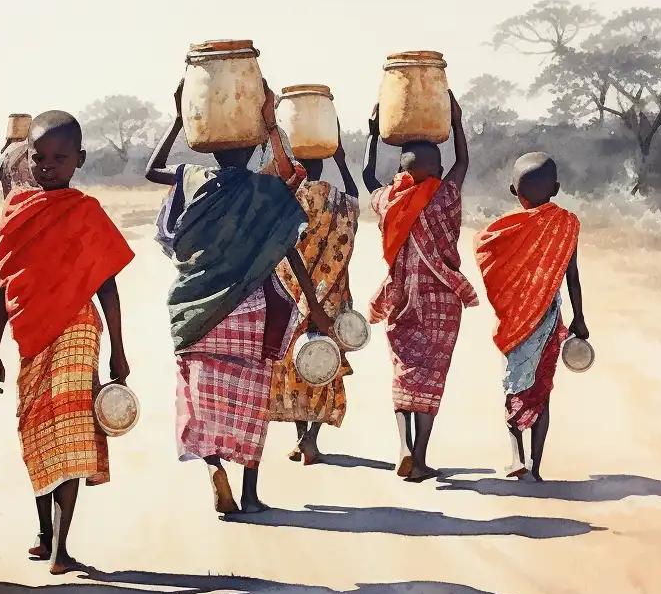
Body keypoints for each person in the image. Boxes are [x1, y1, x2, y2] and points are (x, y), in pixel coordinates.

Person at [145, 81, 332, 516]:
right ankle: (249, 493)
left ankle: (213, 466)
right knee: (252, 401)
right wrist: (269, 121)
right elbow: (288, 231)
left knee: (199, 398)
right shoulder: (266, 193)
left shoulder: (193, 180)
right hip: (251, 311)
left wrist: (179, 119)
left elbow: (153, 170)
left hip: (198, 311)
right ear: (252, 150)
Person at [0, 111, 134, 573]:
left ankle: (62, 546)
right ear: (27, 158)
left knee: (69, 434)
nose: (48, 166)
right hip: (30, 335)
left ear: (79, 160)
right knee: (35, 430)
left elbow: (107, 285)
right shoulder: (17, 213)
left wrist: (119, 350)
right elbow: (3, 285)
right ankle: (45, 531)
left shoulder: (86, 213)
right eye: (40, 157)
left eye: (60, 158)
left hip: (76, 331)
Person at [363, 91, 477, 481]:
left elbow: (367, 178)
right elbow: (464, 161)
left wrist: (373, 134)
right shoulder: (446, 196)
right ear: (438, 168)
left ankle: (402, 448)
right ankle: (421, 458)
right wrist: (457, 121)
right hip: (441, 302)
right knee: (432, 374)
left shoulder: (389, 201)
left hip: (400, 298)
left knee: (404, 371)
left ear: (404, 170)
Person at [474, 152, 589, 481]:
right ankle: (537, 467)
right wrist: (579, 318)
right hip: (551, 323)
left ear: (513, 190)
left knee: (514, 388)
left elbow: (486, 252)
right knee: (542, 392)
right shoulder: (567, 224)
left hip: (516, 325)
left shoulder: (508, 230)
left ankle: (516, 457)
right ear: (556, 189)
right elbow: (573, 276)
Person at [266, 122, 361, 466]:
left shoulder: (289, 199)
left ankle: (299, 437)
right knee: (323, 362)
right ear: (325, 160)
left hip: (291, 295)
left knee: (296, 364)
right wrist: (343, 159)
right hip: (330, 296)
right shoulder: (340, 202)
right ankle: (311, 440)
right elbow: (355, 197)